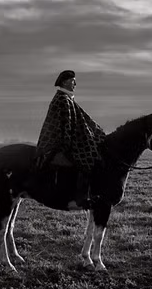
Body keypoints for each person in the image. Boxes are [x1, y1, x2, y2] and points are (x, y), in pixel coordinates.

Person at [35, 70, 106, 208]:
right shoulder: (62, 99)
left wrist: (97, 132)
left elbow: (83, 119)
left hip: (68, 139)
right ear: (64, 82)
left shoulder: (67, 98)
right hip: (59, 142)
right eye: (73, 80)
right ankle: (81, 196)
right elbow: (64, 125)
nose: (75, 83)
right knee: (87, 159)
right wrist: (68, 143)